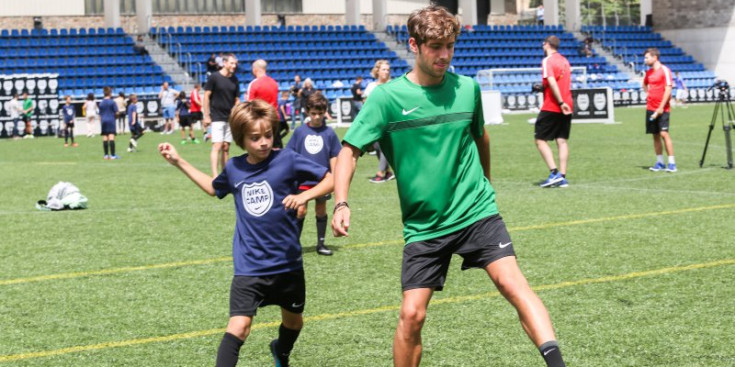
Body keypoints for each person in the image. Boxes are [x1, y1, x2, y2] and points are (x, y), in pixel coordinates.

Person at [331, 6, 567, 367]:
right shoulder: (386, 99)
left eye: (450, 46)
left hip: (476, 211)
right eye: (436, 46)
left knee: (513, 285)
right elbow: (348, 153)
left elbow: (481, 137)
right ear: (414, 44)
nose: (444, 55)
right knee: (412, 315)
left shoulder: (467, 89)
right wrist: (342, 203)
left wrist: (485, 185)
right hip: (425, 225)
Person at [157, 99, 334, 367]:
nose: (263, 142)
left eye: (268, 135)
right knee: (238, 328)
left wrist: (305, 196)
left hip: (287, 264)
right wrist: (179, 161)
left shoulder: (287, 159)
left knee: (294, 322)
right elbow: (213, 188)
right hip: (250, 266)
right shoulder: (235, 168)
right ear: (241, 139)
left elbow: (330, 178)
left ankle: (280, 351)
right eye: (255, 138)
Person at [286, 92, 342, 256]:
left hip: (323, 180)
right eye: (313, 113)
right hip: (303, 179)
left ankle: (321, 244)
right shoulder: (300, 132)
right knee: (301, 209)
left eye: (320, 113)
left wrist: (333, 179)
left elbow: (334, 156)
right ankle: (294, 245)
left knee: (321, 209)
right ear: (307, 112)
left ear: (325, 111)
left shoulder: (329, 133)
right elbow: (290, 154)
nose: (317, 117)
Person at [535, 35, 573, 188]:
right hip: (568, 102)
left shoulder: (547, 61)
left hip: (553, 104)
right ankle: (562, 177)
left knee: (540, 139)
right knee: (561, 140)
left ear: (547, 45)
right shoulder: (564, 60)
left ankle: (554, 173)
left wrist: (560, 102)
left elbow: (551, 81)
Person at [203, 53, 241, 177]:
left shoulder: (235, 80)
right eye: (231, 63)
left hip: (230, 118)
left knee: (226, 147)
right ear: (224, 63)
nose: (234, 65)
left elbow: (236, 99)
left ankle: (224, 174)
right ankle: (215, 175)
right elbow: (206, 96)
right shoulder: (214, 77)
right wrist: (207, 115)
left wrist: (237, 112)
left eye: (235, 63)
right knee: (217, 145)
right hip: (217, 117)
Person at [643, 47, 676, 172]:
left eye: (647, 57)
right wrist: (648, 94)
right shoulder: (648, 73)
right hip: (650, 108)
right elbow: (644, 84)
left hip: (663, 109)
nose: (645, 60)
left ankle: (672, 163)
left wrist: (661, 107)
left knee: (664, 134)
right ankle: (660, 162)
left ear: (654, 57)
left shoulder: (665, 71)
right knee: (655, 135)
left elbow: (668, 89)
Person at [363, 60, 395, 183]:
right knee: (377, 146)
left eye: (388, 69)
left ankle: (381, 173)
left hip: (389, 121)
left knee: (384, 147)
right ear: (377, 71)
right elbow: (365, 104)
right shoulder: (371, 87)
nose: (386, 72)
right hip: (374, 122)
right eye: (383, 69)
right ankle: (387, 172)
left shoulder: (392, 85)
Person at [245, 59, 282, 147]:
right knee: (276, 146)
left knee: (261, 146)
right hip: (274, 118)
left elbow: (249, 105)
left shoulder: (254, 84)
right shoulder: (274, 83)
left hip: (261, 120)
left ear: (255, 69)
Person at [99, 86, 120, 159]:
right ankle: (113, 155)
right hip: (111, 120)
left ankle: (105, 155)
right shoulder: (112, 102)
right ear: (110, 93)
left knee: (105, 136)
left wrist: (101, 122)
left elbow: (100, 114)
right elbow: (117, 112)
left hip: (103, 121)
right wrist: (115, 117)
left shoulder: (101, 103)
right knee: (111, 136)